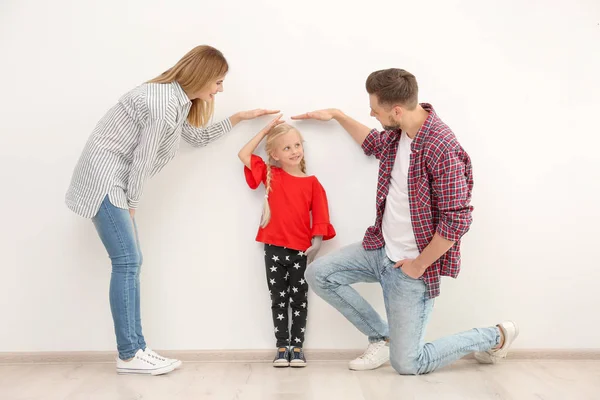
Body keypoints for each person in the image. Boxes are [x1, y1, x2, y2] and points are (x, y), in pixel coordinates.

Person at [65, 45, 278, 376]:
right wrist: (133, 204)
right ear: (203, 75)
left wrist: (239, 118)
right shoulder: (163, 103)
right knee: (127, 261)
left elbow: (195, 138)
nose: (220, 89)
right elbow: (143, 158)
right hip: (106, 179)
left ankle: (135, 349)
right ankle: (129, 353)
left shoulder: (175, 101)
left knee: (130, 262)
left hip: (113, 179)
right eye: (219, 81)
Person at [293, 68, 518, 375]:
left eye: (375, 108)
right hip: (379, 250)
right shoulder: (399, 133)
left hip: (411, 268)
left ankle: (495, 336)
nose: (371, 112)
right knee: (319, 274)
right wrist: (337, 115)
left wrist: (419, 265)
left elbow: (457, 220)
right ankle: (383, 336)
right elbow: (373, 143)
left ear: (396, 110)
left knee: (409, 363)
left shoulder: (441, 147)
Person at [238, 116, 336, 367]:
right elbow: (244, 153)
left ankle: (297, 347)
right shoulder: (271, 174)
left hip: (301, 252)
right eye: (286, 147)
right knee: (278, 300)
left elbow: (322, 215)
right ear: (275, 154)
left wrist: (317, 242)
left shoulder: (313, 184)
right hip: (273, 250)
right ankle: (282, 347)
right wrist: (266, 130)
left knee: (299, 300)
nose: (294, 151)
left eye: (297, 145)